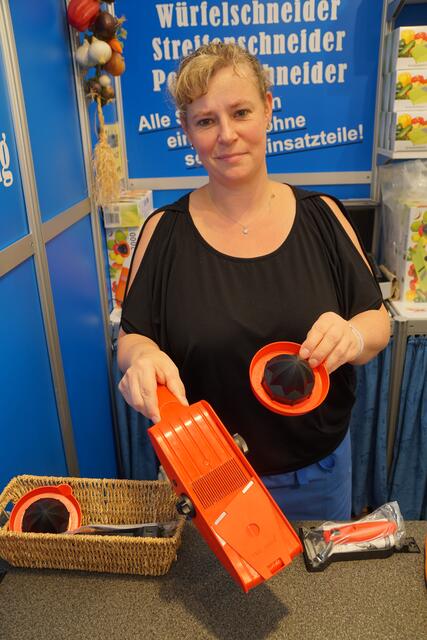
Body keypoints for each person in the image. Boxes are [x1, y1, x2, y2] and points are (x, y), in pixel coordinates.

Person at [117, 42, 390, 521]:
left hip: (316, 476)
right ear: (187, 131)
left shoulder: (322, 217)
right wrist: (142, 358)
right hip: (206, 479)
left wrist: (351, 334)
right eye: (206, 121)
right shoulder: (163, 232)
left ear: (267, 108)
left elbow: (376, 321)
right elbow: (133, 336)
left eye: (240, 112)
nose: (227, 135)